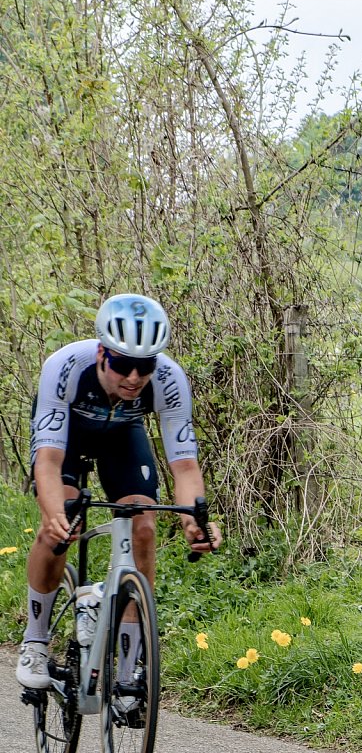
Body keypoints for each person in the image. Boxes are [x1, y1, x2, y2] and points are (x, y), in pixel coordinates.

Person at [17, 293, 222, 690]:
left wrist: (193, 522)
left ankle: (128, 673)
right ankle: (36, 640)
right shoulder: (64, 368)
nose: (133, 377)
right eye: (122, 365)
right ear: (101, 354)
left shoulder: (169, 379)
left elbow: (184, 466)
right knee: (61, 524)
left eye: (144, 366)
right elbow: (47, 463)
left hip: (122, 435)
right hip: (68, 436)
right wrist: (54, 513)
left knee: (142, 526)